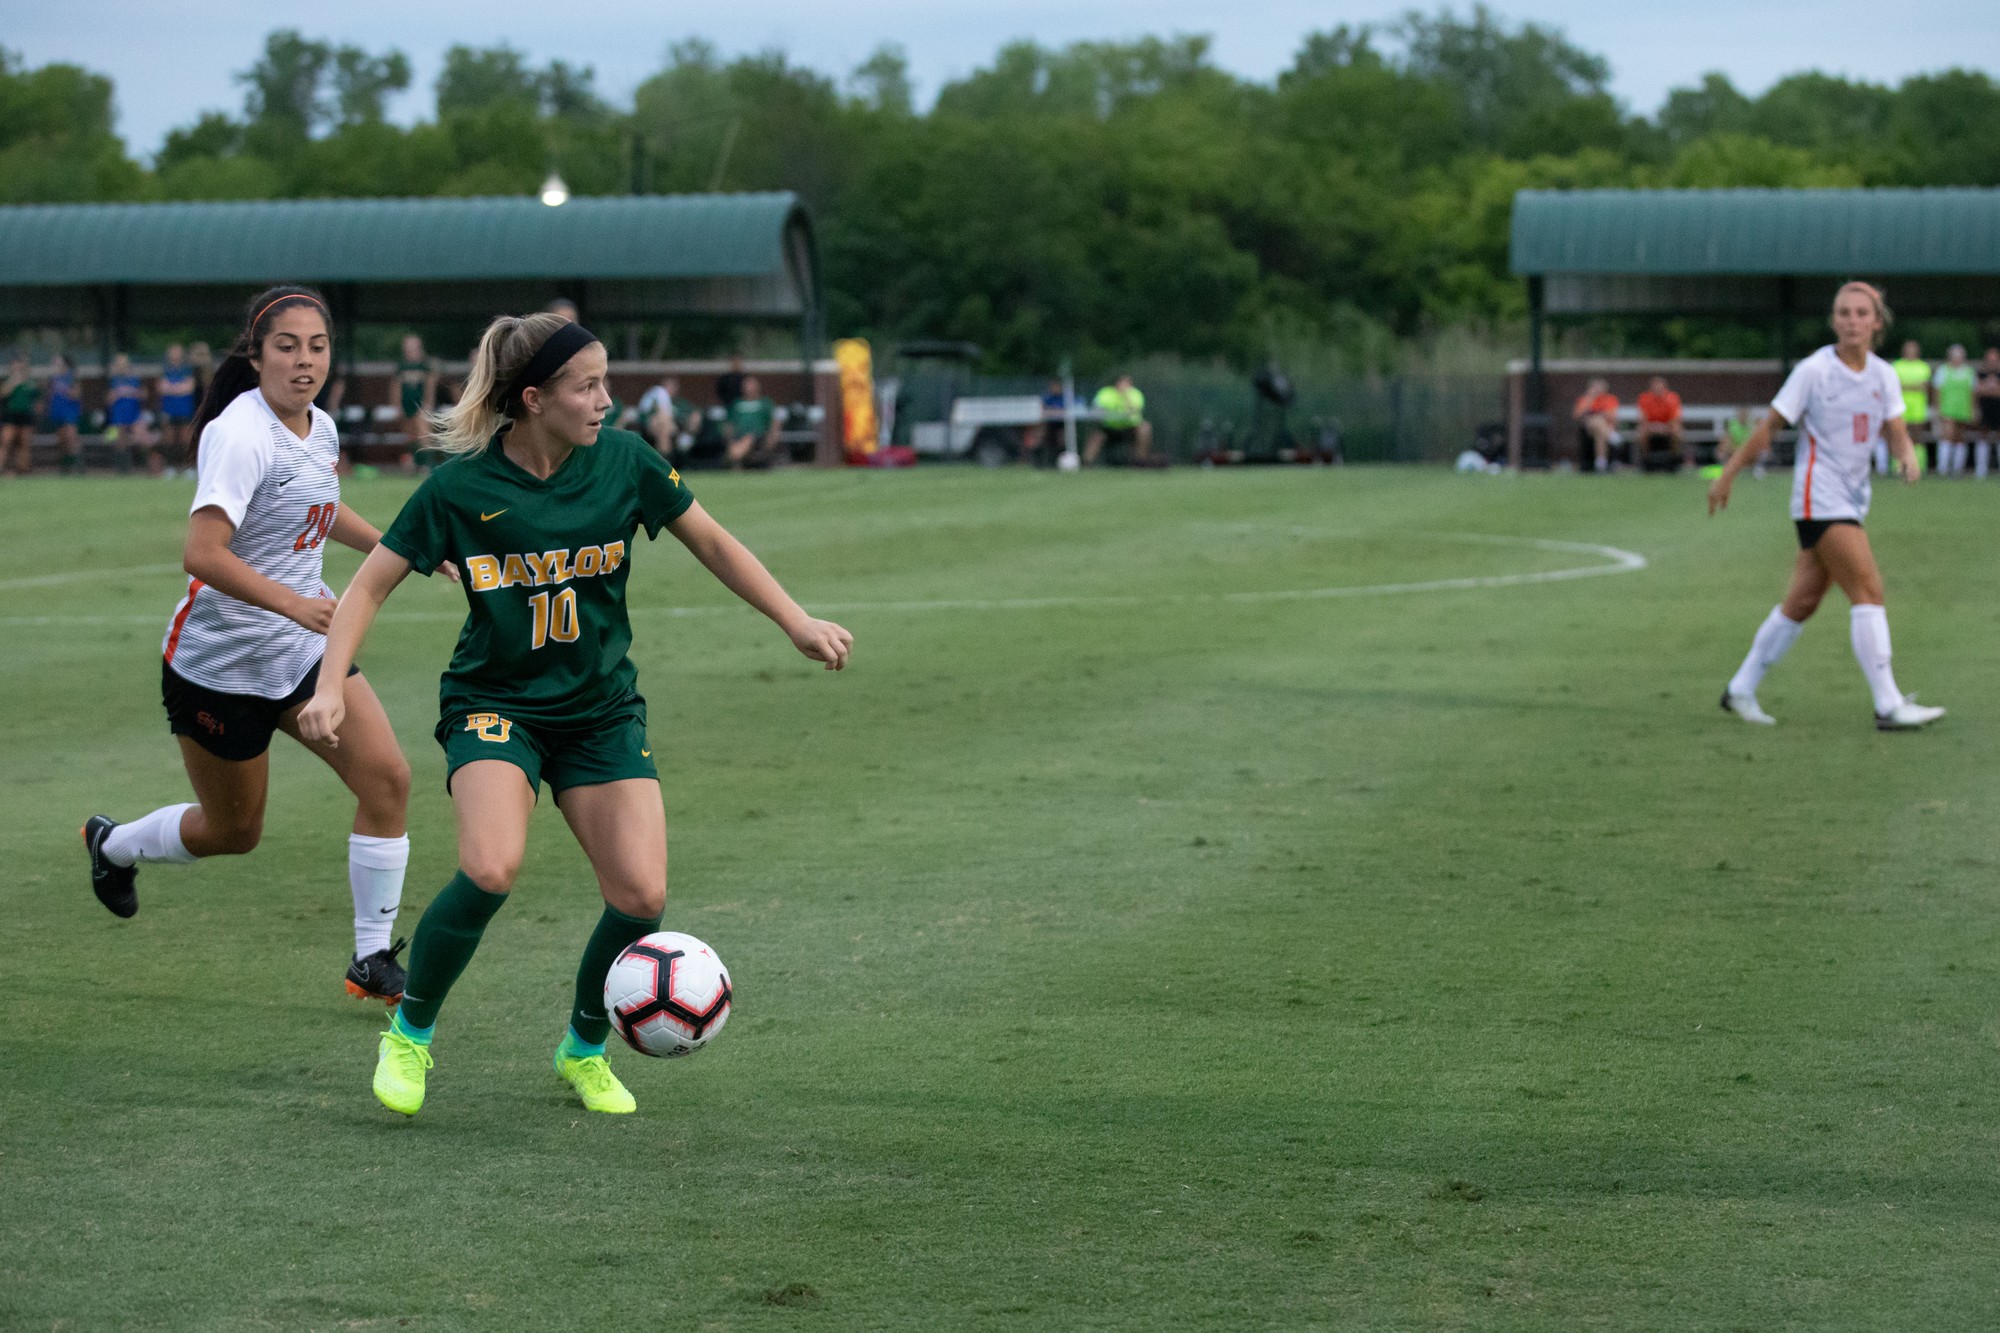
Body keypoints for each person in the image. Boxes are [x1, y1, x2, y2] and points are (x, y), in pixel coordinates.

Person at [293, 312, 853, 1118]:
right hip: (497, 705)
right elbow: (370, 583)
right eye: (586, 386)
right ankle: (411, 1033)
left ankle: (584, 1045)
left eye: (604, 383)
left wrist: (794, 619)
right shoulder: (460, 487)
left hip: (600, 710)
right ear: (533, 399)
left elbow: (716, 543)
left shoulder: (625, 462)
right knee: (490, 867)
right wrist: (330, 683)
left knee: (640, 896)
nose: (604, 401)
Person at [79, 286, 446, 1008]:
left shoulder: (323, 428)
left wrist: (403, 545)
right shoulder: (240, 433)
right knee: (234, 830)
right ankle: (113, 844)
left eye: (317, 346)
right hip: (218, 667)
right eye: (287, 346)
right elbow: (202, 551)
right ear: (256, 354)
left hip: (303, 654)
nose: (304, 361)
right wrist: (293, 603)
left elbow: (320, 505)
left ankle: (372, 957)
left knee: (388, 781)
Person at [1709, 281, 1943, 731]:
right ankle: (1888, 705)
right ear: (1833, 320)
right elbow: (1768, 427)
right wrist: (1728, 474)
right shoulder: (1814, 371)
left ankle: (1740, 688)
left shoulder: (1882, 375)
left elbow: (1894, 427)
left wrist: (1907, 453)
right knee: (1869, 589)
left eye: (1860, 313)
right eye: (1843, 313)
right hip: (1819, 499)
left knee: (1801, 603)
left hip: (1852, 500)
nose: (1852, 321)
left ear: (1877, 322)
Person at [1087, 373, 1152, 465]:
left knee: (1145, 428)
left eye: (1127, 383)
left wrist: (1126, 397)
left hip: (1130, 427)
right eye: (1122, 383)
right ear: (1116, 383)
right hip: (1109, 427)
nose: (1125, 386)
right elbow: (1097, 409)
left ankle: (1140, 461)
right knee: (1097, 435)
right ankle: (1087, 462)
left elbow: (1135, 410)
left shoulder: (1135, 394)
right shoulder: (1106, 393)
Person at [1931, 344, 1976, 477]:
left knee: (1959, 438)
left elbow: (1972, 392)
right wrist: (1937, 408)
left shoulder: (1968, 372)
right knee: (1947, 435)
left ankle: (1957, 468)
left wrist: (1973, 408)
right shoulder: (1943, 371)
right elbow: (1937, 391)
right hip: (1947, 408)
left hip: (1962, 408)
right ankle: (1943, 467)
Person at [155, 344, 198, 477]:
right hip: (169, 410)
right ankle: (170, 467)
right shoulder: (165, 371)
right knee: (169, 439)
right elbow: (161, 388)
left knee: (186, 439)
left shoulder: (187, 370)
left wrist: (172, 388)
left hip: (185, 410)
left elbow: (189, 388)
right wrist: (179, 388)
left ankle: (189, 468)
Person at [394, 334, 436, 474]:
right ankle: (415, 464)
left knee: (423, 434)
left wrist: (428, 404)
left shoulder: (425, 365)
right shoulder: (401, 365)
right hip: (407, 406)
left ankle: (427, 464)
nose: (409, 350)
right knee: (410, 436)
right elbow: (396, 387)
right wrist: (397, 406)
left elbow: (430, 386)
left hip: (421, 406)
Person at [104, 352, 150, 475]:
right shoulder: (113, 380)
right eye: (118, 364)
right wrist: (116, 395)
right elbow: (108, 400)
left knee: (142, 438)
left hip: (134, 413)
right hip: (119, 414)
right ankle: (122, 469)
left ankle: (144, 466)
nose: (121, 366)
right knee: (120, 440)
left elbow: (144, 396)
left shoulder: (135, 379)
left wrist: (132, 392)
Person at [1888, 339, 1930, 475]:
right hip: (1900, 408)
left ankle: (1918, 465)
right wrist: (1913, 386)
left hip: (1918, 407)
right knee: (1899, 436)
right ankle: (1899, 466)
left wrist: (1906, 386)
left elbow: (1924, 386)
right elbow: (1895, 387)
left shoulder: (1923, 367)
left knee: (1917, 437)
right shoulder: (1896, 366)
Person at [724, 373, 783, 469]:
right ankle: (736, 456)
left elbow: (775, 422)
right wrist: (729, 440)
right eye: (746, 385)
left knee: (749, 438)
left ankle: (734, 457)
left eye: (751, 384)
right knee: (741, 442)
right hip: (739, 437)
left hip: (759, 437)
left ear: (757, 386)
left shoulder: (765, 403)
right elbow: (729, 424)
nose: (748, 387)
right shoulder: (737, 403)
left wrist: (773, 436)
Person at [1635, 376, 1685, 471]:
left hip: (1667, 427)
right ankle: (1645, 461)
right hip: (1650, 427)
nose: (1657, 389)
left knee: (1677, 431)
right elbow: (1642, 419)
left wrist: (1664, 428)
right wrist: (1653, 427)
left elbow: (1675, 419)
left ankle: (1674, 460)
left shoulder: (1672, 398)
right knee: (1641, 431)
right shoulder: (1644, 398)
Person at [635, 375, 691, 457]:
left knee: (664, 427)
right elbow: (650, 414)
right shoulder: (657, 396)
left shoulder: (678, 402)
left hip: (669, 426)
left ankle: (664, 460)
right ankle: (666, 459)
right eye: (669, 386)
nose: (672, 389)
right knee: (663, 427)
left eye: (674, 387)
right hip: (649, 425)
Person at [1571, 377, 1619, 472]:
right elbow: (1577, 415)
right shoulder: (1585, 399)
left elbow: (1612, 416)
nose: (1598, 389)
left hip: (1604, 427)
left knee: (1599, 433)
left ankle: (1600, 463)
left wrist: (1600, 415)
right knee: (1596, 420)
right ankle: (1612, 436)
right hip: (1588, 428)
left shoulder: (1610, 399)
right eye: (1595, 387)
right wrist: (1590, 398)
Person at [1, 354, 37, 476]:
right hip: (11, 415)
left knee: (25, 443)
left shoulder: (30, 382)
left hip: (26, 415)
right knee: (6, 441)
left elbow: (37, 398)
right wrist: (15, 382)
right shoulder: (8, 381)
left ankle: (23, 470)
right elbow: (3, 393)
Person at [47, 354, 82, 475]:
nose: (56, 365)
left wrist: (65, 390)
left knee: (71, 437)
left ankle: (77, 467)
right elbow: (50, 394)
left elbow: (76, 394)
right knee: (62, 440)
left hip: (70, 411)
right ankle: (65, 467)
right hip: (57, 412)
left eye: (58, 363)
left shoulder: (72, 376)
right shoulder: (53, 378)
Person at [1974, 347, 2000, 481]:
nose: (1992, 363)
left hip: (1998, 410)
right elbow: (1977, 390)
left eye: (1995, 360)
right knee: (1982, 437)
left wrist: (1988, 389)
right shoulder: (1980, 374)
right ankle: (1981, 470)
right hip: (1985, 409)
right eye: (1990, 360)